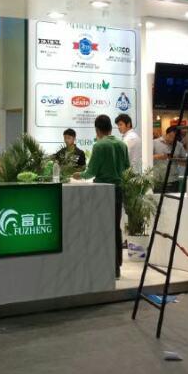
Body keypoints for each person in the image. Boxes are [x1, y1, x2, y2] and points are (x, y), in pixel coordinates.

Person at [74, 115, 130, 278]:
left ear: (97, 130)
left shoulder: (99, 145)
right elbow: (127, 167)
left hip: (102, 192)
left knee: (102, 229)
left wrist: (79, 175)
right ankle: (117, 266)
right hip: (118, 190)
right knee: (115, 227)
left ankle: (107, 267)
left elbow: (91, 172)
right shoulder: (122, 144)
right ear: (111, 128)